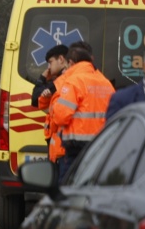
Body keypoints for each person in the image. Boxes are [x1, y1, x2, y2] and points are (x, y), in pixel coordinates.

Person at [47, 42, 115, 181]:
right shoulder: (105, 82)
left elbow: (60, 117)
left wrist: (53, 107)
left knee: (68, 193)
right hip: (101, 146)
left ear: (71, 62)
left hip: (76, 149)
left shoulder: (73, 82)